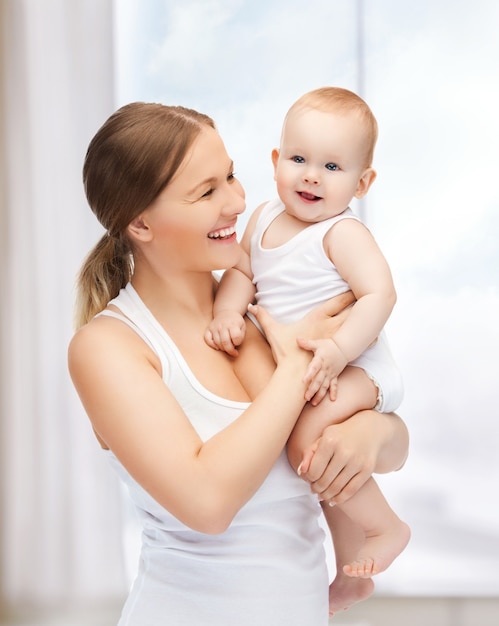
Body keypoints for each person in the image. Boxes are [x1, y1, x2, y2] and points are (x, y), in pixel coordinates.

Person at [68, 101, 410, 626]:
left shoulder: (263, 311)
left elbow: (391, 447)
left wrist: (373, 437)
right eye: (206, 192)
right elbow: (207, 503)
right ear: (140, 222)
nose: (237, 201)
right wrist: (297, 367)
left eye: (230, 175)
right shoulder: (110, 347)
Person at [205, 86, 411, 613]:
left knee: (307, 446)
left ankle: (385, 527)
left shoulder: (342, 233)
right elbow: (242, 272)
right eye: (298, 159)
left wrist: (339, 350)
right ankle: (351, 567)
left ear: (363, 183)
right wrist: (229, 310)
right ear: (276, 161)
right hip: (311, 366)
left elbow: (379, 294)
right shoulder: (262, 220)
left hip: (358, 366)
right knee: (322, 467)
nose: (311, 175)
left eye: (332, 166)